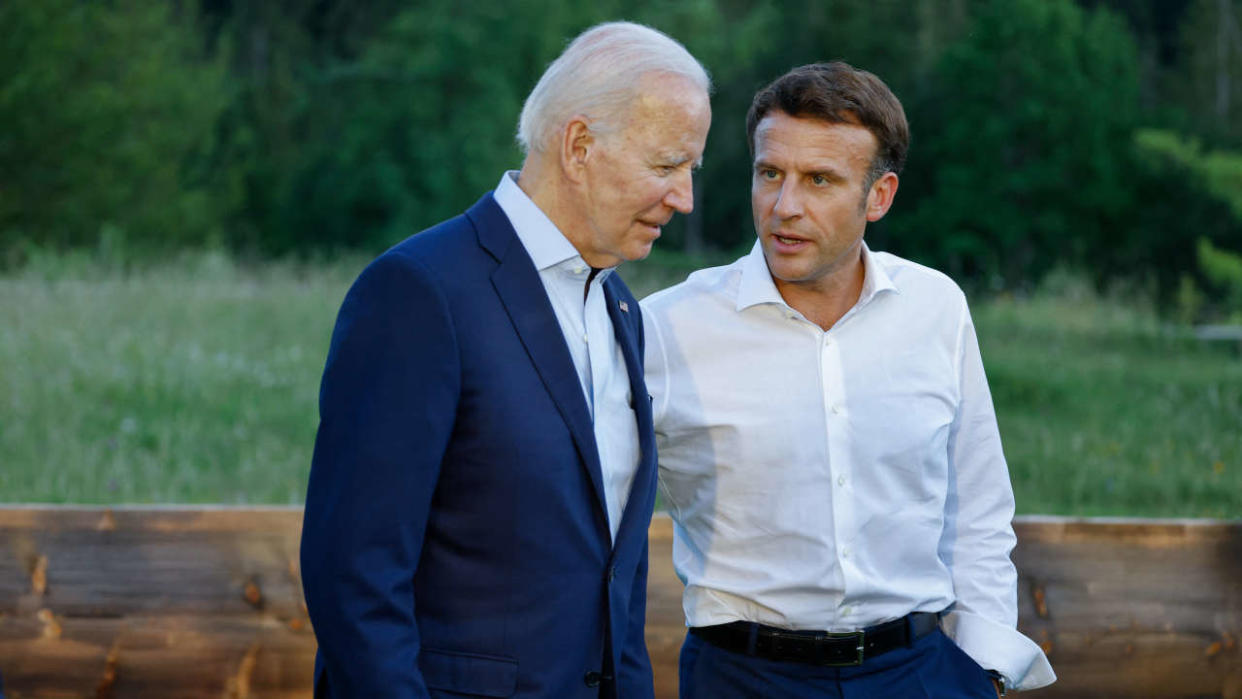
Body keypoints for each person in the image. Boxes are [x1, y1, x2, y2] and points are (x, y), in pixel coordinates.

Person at [300, 22, 711, 698]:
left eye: (690, 170)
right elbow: (356, 575)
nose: (685, 196)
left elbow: (616, 582)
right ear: (578, 146)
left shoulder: (622, 309)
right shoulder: (419, 292)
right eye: (667, 165)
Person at [643, 62, 1056, 697]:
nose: (785, 206)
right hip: (744, 677)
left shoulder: (935, 308)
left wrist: (987, 669)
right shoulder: (667, 329)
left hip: (920, 673)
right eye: (770, 173)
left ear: (879, 196)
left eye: (820, 180)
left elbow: (975, 504)